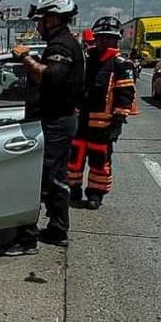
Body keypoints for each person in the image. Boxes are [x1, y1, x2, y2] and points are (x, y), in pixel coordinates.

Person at [6, 0, 85, 254]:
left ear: (53, 19)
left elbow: (50, 77)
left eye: (40, 19)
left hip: (54, 123)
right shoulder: (63, 43)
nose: (37, 25)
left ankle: (26, 239)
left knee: (35, 179)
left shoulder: (61, 45)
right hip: (62, 120)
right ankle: (57, 229)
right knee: (56, 179)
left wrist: (25, 58)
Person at [68, 16, 138, 210]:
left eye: (109, 38)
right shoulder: (86, 61)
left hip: (103, 127)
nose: (104, 41)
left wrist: (117, 122)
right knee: (74, 160)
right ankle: (73, 189)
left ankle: (95, 194)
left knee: (99, 164)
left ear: (116, 40)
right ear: (95, 38)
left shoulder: (121, 64)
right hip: (80, 124)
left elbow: (126, 95)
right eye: (101, 37)